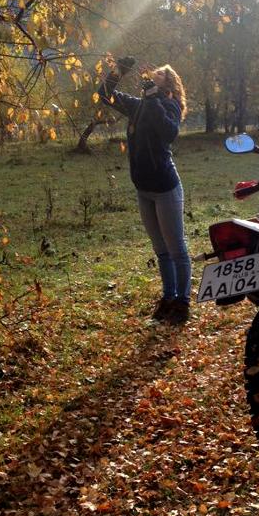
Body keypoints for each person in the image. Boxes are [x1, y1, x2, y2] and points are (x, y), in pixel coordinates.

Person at [99, 60, 191, 324]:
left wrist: (152, 98)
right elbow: (104, 95)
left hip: (165, 188)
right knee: (161, 249)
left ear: (170, 83)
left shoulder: (169, 105)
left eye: (161, 73)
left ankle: (182, 304)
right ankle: (168, 297)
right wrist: (118, 71)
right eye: (155, 73)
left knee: (176, 249)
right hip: (144, 189)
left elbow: (169, 132)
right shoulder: (139, 105)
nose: (155, 74)